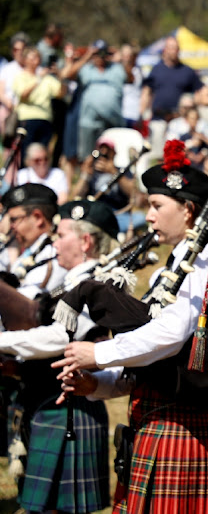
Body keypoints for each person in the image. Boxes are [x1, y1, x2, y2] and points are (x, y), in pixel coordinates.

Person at [52, 141, 208, 513]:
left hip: (179, 425)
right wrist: (96, 384)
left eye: (157, 206)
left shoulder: (205, 262)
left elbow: (172, 335)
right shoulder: (173, 267)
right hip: (152, 422)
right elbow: (148, 359)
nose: (148, 216)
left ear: (188, 210)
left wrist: (98, 354)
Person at [0, 200, 118, 514]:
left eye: (61, 233)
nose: (53, 241)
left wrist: (2, 341)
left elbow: (60, 336)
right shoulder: (66, 284)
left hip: (71, 405)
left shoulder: (99, 283)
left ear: (85, 241)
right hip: (46, 402)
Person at [60, 39, 126, 160]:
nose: (100, 57)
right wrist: (87, 56)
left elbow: (130, 77)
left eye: (102, 53)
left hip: (111, 121)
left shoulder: (116, 68)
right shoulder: (86, 69)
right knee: (88, 157)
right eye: (97, 53)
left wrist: (119, 56)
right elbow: (67, 75)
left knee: (111, 156)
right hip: (89, 122)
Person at [140, 36, 207, 157]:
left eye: (175, 48)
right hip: (158, 119)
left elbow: (201, 90)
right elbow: (146, 92)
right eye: (170, 48)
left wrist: (194, 103)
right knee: (158, 155)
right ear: (165, 49)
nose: (173, 51)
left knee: (178, 155)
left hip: (179, 121)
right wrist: (142, 114)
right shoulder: (156, 69)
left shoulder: (187, 71)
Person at [0, 183, 66, 300]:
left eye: (14, 220)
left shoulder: (53, 254)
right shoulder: (33, 250)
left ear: (38, 217)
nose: (11, 226)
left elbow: (22, 302)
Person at [72, 136, 145, 233]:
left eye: (108, 151)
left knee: (140, 218)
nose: (104, 153)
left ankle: (104, 230)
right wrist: (85, 174)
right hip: (95, 212)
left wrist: (114, 172)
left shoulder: (122, 171)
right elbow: (76, 196)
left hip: (117, 214)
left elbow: (133, 195)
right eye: (101, 150)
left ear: (114, 153)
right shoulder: (91, 171)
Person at [11, 46, 65, 160]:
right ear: (26, 60)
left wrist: (59, 75)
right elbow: (23, 95)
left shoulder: (47, 78)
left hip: (45, 120)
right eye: (33, 57)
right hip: (27, 120)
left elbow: (60, 93)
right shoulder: (21, 77)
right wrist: (38, 79)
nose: (36, 59)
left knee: (42, 155)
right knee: (26, 155)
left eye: (38, 57)